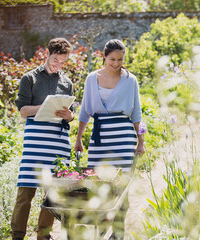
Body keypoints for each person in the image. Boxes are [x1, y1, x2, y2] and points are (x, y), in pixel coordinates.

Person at [74, 39, 145, 239]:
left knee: (121, 187)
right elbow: (85, 112)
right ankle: (101, 227)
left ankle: (119, 233)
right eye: (112, 59)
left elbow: (136, 114)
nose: (116, 63)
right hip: (99, 140)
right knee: (97, 184)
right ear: (104, 56)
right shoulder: (91, 78)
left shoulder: (130, 80)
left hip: (123, 138)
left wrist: (141, 142)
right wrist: (79, 139)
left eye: (120, 59)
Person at [11, 37, 74, 240]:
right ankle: (17, 236)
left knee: (52, 194)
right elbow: (22, 111)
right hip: (35, 143)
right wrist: (44, 108)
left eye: (62, 62)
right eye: (55, 60)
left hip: (58, 142)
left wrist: (69, 116)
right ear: (47, 54)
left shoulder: (67, 82)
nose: (58, 65)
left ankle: (43, 236)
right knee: (25, 193)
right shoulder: (29, 78)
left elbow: (71, 113)